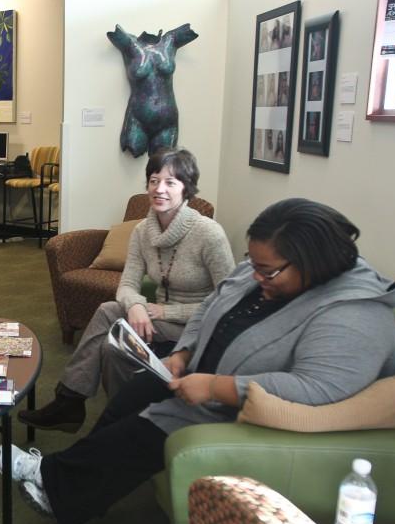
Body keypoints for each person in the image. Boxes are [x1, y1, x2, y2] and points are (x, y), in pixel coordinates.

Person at [0, 199, 395, 524]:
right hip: (201, 375)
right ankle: (76, 494)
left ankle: (55, 480)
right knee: (135, 392)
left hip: (239, 406)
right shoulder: (266, 271)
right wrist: (183, 353)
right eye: (253, 262)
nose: (256, 274)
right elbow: (215, 305)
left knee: (148, 428)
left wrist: (215, 388)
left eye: (268, 270)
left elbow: (317, 389)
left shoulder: (356, 316)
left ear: (313, 263)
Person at [19, 148, 234, 433]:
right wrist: (134, 305)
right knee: (111, 333)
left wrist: (166, 311)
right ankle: (96, 410)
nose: (160, 189)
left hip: (197, 328)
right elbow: (128, 283)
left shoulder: (209, 233)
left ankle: (73, 403)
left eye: (170, 182)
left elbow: (228, 303)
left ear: (187, 189)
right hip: (157, 321)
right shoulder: (143, 231)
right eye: (154, 180)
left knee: (110, 327)